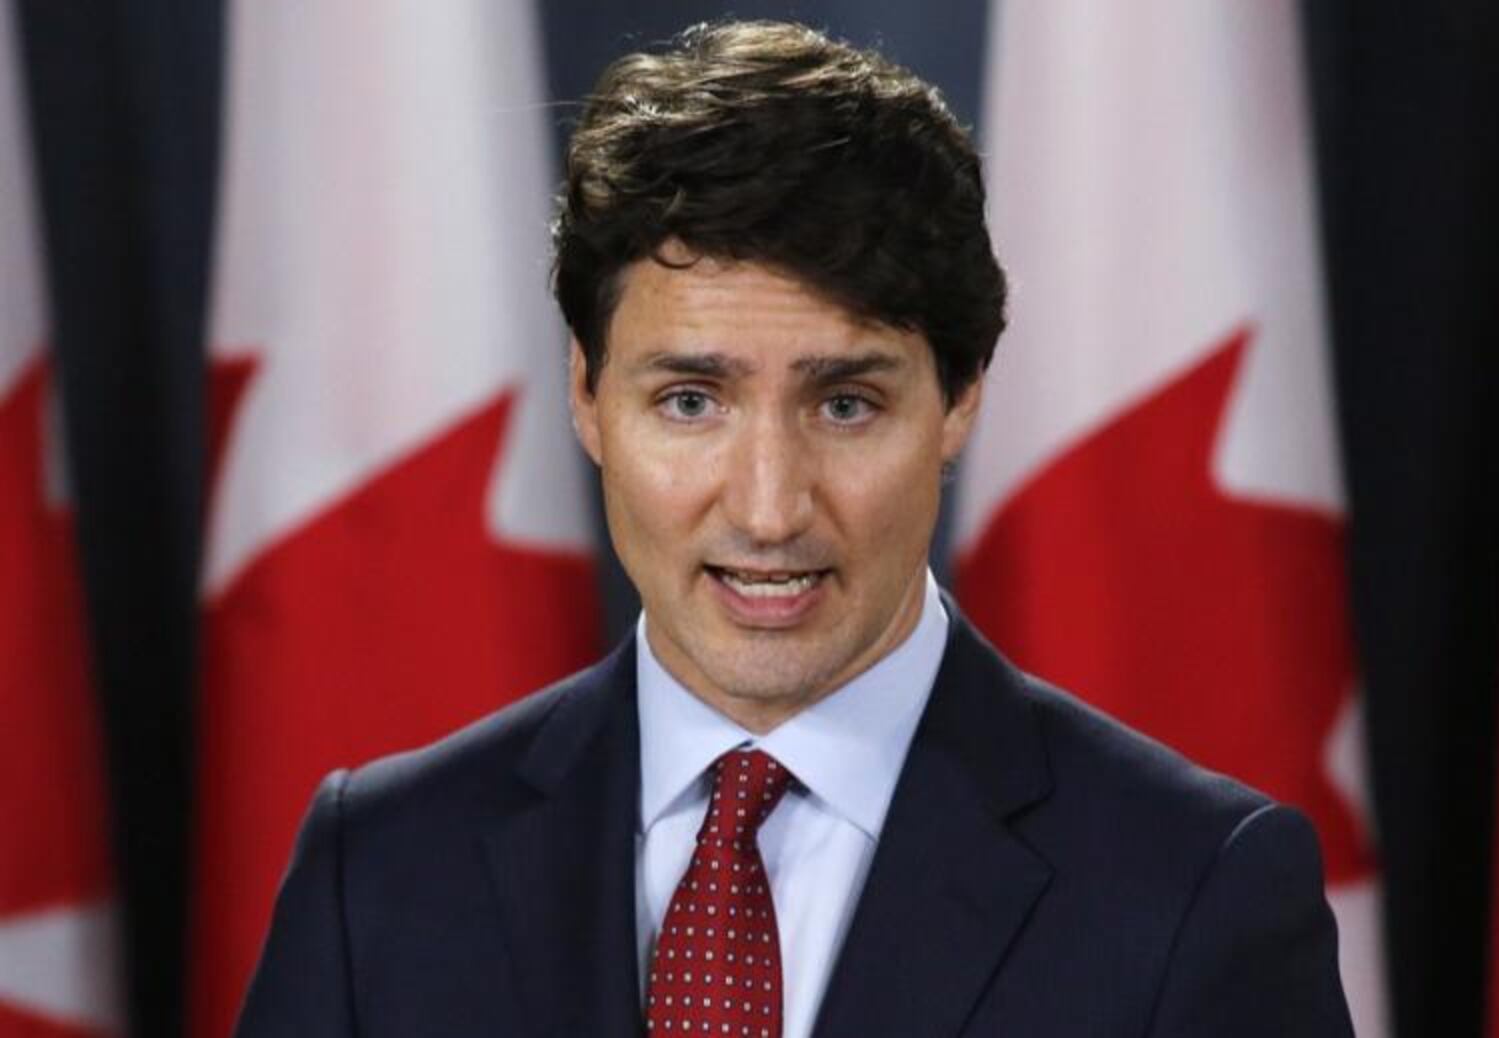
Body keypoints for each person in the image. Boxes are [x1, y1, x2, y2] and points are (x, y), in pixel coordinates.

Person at [235, 20, 1353, 1037]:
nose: (769, 508)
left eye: (845, 405)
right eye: (690, 402)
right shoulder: (378, 871)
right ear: (585, 396)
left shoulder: (1193, 889)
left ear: (959, 399)